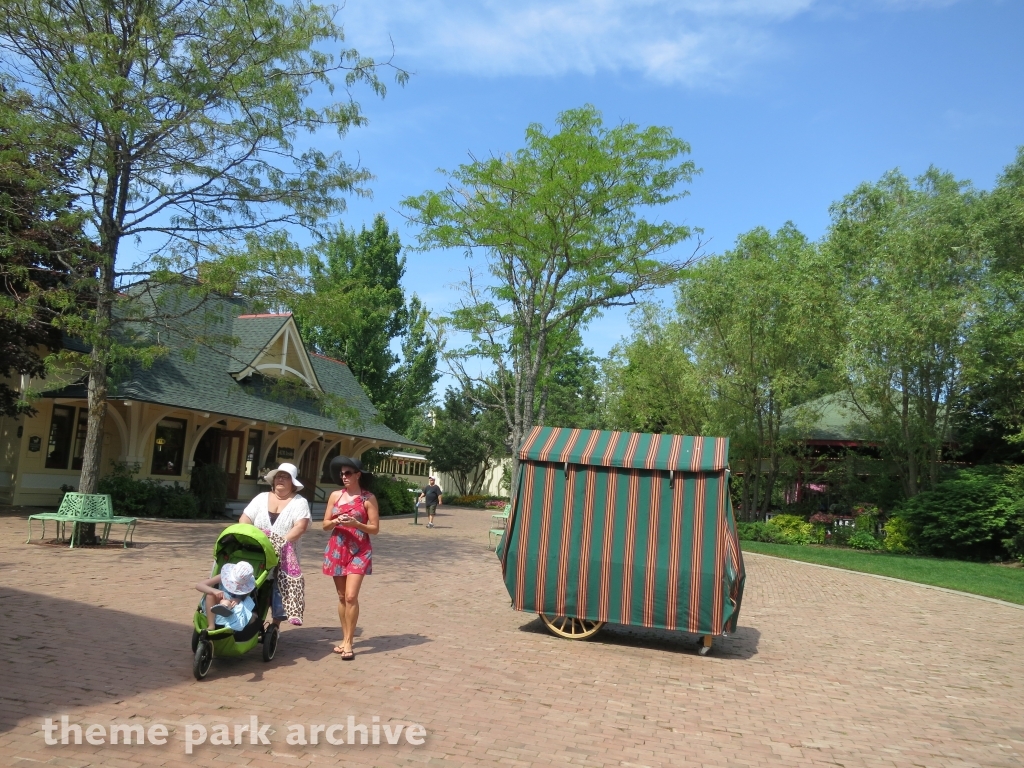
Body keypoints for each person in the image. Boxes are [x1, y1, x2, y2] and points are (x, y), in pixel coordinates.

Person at [322, 455, 379, 660]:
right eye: (342, 473)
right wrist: (337, 520)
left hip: (360, 550)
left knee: (351, 596)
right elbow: (325, 524)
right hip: (337, 548)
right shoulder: (335, 495)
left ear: (358, 475)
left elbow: (374, 529)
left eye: (348, 473)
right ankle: (344, 637)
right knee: (341, 597)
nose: (344, 476)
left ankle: (349, 642)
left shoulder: (368, 498)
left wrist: (356, 525)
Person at [240, 462, 310, 627]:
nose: (281, 479)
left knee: (278, 588)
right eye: (279, 476)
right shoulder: (261, 498)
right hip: (257, 551)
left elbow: (300, 527)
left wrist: (281, 542)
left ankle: (276, 624)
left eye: (286, 477)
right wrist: (247, 534)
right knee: (254, 584)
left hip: (284, 554)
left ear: (292, 482)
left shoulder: (300, 502)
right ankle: (249, 617)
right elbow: (245, 518)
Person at [195, 561, 256, 632]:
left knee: (226, 602)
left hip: (234, 605)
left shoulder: (246, 586)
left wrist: (238, 600)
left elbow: (243, 597)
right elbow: (199, 585)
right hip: (219, 599)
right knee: (210, 595)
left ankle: (224, 607)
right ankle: (212, 624)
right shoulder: (223, 577)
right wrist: (214, 591)